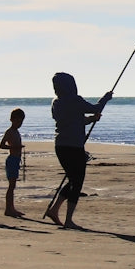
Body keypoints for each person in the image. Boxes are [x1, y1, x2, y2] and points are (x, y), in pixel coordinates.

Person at [44, 73, 112, 229]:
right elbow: (95, 108)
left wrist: (91, 119)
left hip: (60, 146)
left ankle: (54, 210)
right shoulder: (75, 100)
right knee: (77, 181)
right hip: (74, 146)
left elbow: (72, 121)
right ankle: (68, 219)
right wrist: (105, 98)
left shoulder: (56, 103)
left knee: (73, 179)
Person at [0, 107, 26, 217]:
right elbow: (2, 145)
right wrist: (15, 147)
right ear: (12, 119)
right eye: (17, 121)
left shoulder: (16, 131)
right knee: (11, 186)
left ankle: (11, 208)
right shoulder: (10, 131)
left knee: (13, 185)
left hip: (16, 160)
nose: (19, 123)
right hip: (11, 160)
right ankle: (9, 209)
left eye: (21, 122)